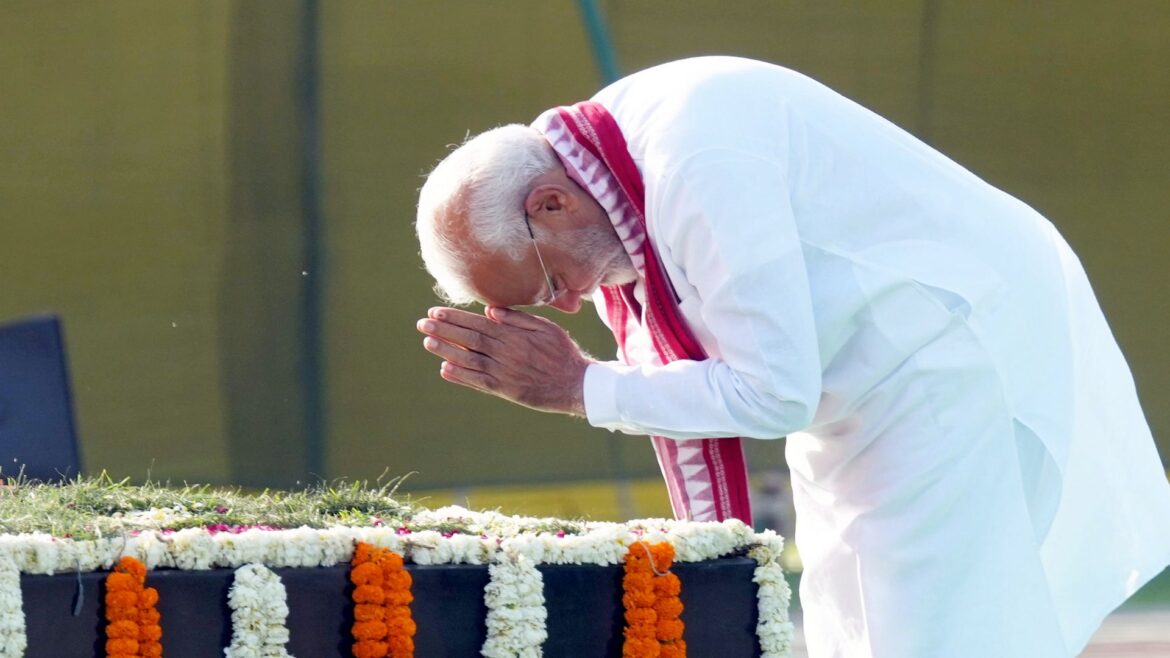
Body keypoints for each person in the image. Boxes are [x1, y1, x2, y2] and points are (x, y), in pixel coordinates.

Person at [413, 56, 1170, 657]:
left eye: (551, 283)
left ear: (552, 202)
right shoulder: (612, 161)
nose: (574, 303)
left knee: (934, 637)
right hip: (860, 382)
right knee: (842, 627)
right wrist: (588, 386)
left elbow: (772, 393)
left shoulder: (691, 163)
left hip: (949, 362)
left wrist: (582, 387)